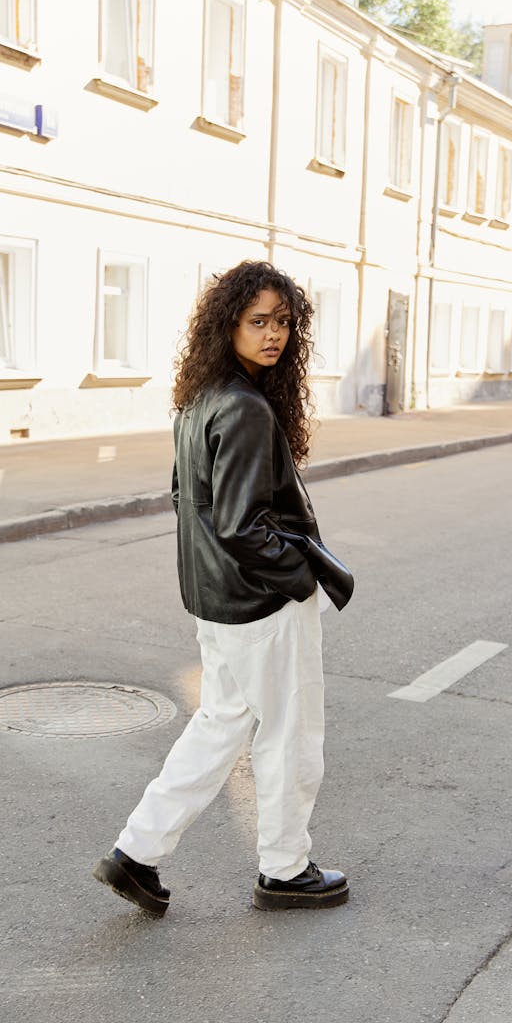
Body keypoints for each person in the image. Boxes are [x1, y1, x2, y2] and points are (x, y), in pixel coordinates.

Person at [93, 260, 354, 916]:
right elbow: (240, 523)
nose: (274, 334)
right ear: (230, 325)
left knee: (219, 725)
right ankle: (286, 870)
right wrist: (298, 578)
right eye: (258, 320)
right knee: (291, 734)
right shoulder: (243, 408)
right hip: (261, 603)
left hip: (219, 602)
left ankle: (136, 852)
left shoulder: (201, 399)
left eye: (284, 322)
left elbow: (187, 499)